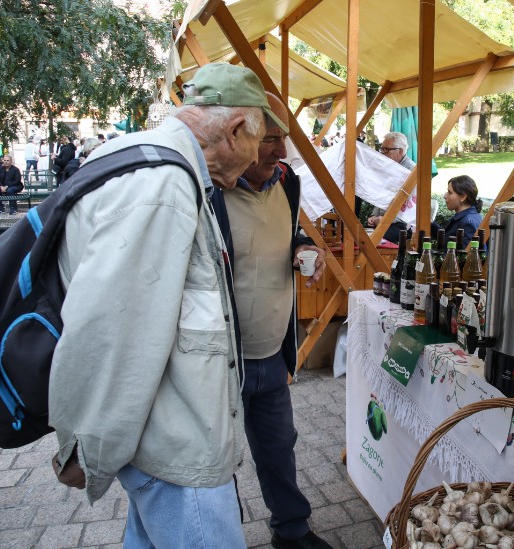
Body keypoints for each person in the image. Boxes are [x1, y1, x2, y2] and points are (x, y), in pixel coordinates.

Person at [47, 62, 286, 549]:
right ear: (237, 130)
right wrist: (90, 449)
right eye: (260, 144)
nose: (263, 160)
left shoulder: (155, 160)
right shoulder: (164, 186)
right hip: (177, 449)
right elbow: (113, 329)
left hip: (165, 440)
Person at [222, 93, 330, 549]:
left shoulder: (286, 181)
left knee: (279, 448)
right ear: (236, 139)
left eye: (283, 138)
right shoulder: (205, 191)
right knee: (216, 461)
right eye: (270, 139)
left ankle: (291, 531)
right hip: (220, 362)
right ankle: (220, 535)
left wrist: (305, 245)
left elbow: (285, 233)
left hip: (271, 351)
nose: (281, 151)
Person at [366, 130, 416, 243]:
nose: (382, 153)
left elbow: (409, 209)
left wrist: (384, 220)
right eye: (382, 149)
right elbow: (381, 194)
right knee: (358, 232)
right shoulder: (389, 166)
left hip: (403, 224)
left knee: (371, 239)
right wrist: (374, 215)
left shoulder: (411, 172)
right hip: (386, 221)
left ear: (400, 151)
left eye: (386, 150)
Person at [432, 175, 484, 243]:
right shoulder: (465, 216)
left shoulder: (468, 223)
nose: (445, 196)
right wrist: (431, 223)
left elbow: (461, 252)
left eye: (450, 193)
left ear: (463, 197)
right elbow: (447, 239)